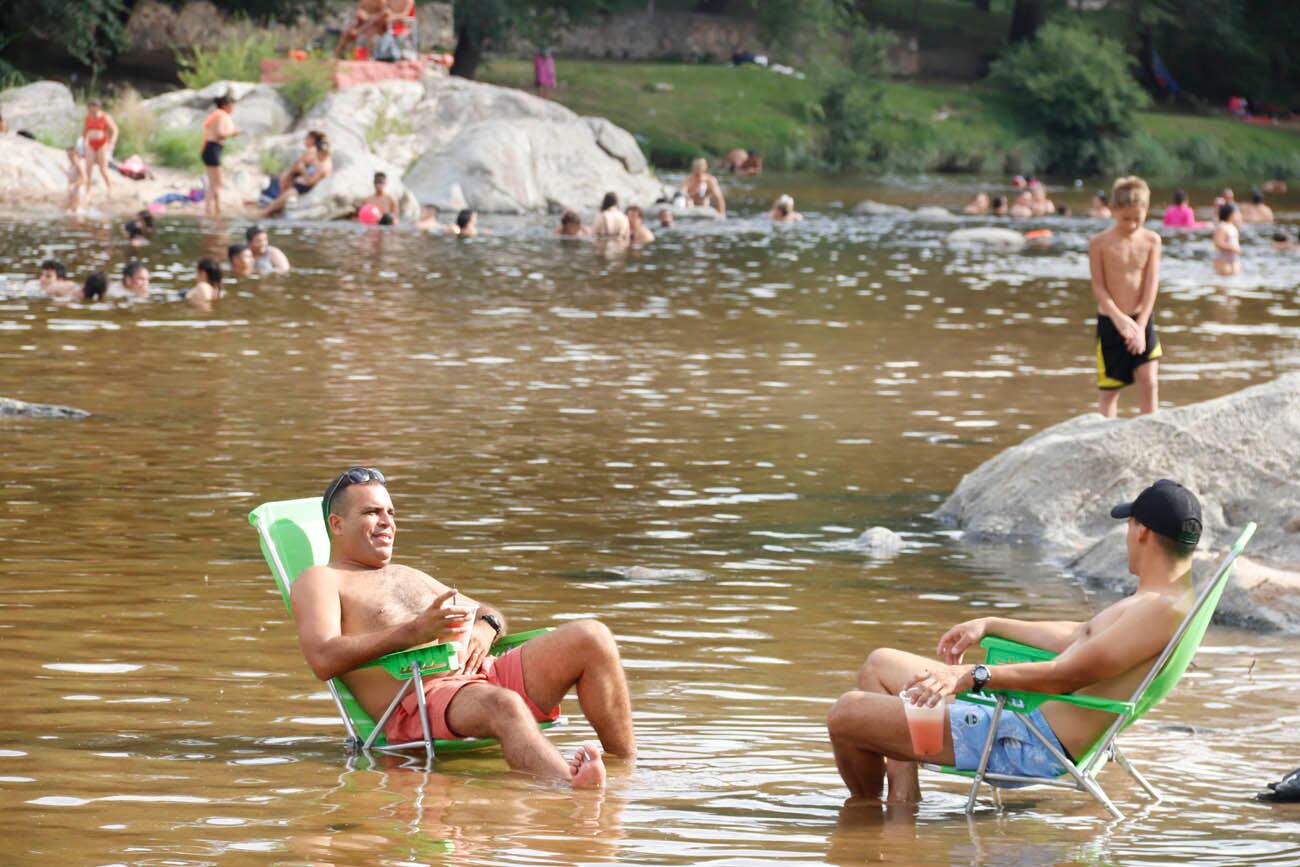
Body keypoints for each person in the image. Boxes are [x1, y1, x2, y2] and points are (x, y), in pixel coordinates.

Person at [827, 479, 1203, 805]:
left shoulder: (1158, 611)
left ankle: (868, 817)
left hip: (1025, 741)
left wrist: (969, 675)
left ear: (1141, 532)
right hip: (1025, 721)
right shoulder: (1165, 602)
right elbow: (1078, 636)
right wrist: (991, 625)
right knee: (880, 664)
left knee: (845, 715)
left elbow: (1064, 676)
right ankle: (903, 805)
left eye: (1129, 527)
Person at [291, 468, 636, 787]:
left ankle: (628, 768)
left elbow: (485, 610)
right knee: (504, 704)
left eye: (390, 513)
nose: (387, 522)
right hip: (421, 698)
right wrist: (413, 632)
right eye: (371, 513)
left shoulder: (407, 574)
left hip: (481, 674)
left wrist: (486, 627)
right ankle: (571, 791)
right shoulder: (321, 579)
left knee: (593, 636)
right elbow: (323, 657)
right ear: (337, 524)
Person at [1089, 175, 1162, 418]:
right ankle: (1105, 435)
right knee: (1110, 392)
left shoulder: (1152, 240)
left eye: (1137, 219)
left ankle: (1151, 429)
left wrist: (1140, 327)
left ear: (1146, 212)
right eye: (1125, 219)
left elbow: (1151, 285)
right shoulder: (1099, 243)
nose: (1131, 225)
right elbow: (1099, 288)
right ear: (1113, 210)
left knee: (1149, 381)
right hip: (1111, 321)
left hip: (1142, 318)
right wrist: (1119, 319)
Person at [261, 131, 332, 218]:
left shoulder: (323, 165)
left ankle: (266, 211)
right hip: (296, 183)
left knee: (282, 196)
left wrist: (302, 171)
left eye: (307, 138)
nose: (317, 156)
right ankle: (268, 209)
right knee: (283, 184)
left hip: (301, 188)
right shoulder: (318, 160)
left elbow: (310, 181)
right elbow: (300, 166)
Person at [200, 93, 239, 219]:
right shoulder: (222, 115)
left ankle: (217, 208)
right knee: (217, 183)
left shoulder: (216, 114)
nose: (234, 108)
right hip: (213, 148)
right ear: (226, 105)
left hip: (209, 149)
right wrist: (233, 133)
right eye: (232, 105)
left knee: (214, 182)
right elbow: (220, 133)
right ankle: (208, 210)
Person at [81, 99, 119, 201]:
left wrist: (112, 142)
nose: (91, 111)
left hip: (102, 143)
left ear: (97, 108)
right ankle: (88, 191)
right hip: (91, 144)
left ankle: (109, 188)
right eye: (89, 108)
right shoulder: (88, 118)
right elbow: (85, 131)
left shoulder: (105, 117)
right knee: (88, 167)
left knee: (103, 168)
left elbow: (115, 130)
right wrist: (84, 143)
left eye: (93, 108)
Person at [1212, 202, 1243, 276]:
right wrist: (1233, 248)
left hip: (1233, 261)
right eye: (1236, 213)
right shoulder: (1222, 227)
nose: (1237, 215)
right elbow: (1218, 243)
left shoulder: (1232, 226)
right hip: (1223, 262)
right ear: (1230, 214)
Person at [63, 144, 86, 213]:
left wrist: (74, 186)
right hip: (73, 190)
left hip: (78, 190)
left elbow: (84, 178)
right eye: (68, 155)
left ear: (76, 155)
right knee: (66, 209)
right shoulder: (71, 165)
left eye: (71, 155)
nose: (69, 157)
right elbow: (71, 178)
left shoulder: (78, 164)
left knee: (75, 210)